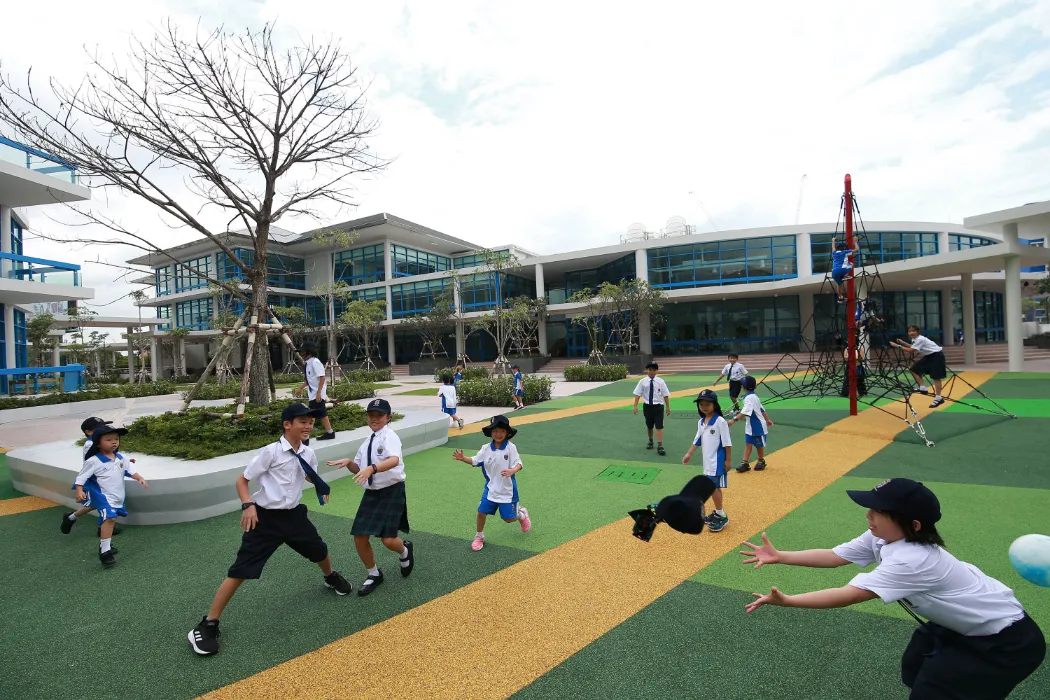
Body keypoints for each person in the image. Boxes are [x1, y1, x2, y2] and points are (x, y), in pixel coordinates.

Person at [741, 478, 1046, 699]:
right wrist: (780, 556)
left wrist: (789, 600)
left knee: (934, 689)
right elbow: (835, 556)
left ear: (912, 525)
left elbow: (850, 594)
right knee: (916, 663)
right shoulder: (883, 537)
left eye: (877, 511)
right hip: (965, 627)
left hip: (1007, 645)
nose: (868, 515)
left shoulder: (913, 561)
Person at [187, 403, 353, 656]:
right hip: (264, 520)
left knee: (319, 550)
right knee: (241, 570)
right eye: (302, 422)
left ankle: (330, 576)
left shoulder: (308, 454)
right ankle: (208, 623)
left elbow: (305, 473)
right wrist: (248, 505)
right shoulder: (270, 452)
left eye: (311, 422)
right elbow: (242, 480)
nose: (308, 426)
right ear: (287, 425)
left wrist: (318, 483)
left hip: (294, 516)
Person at [326, 398, 414, 596]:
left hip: (392, 490)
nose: (375, 419)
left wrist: (372, 468)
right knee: (359, 536)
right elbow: (359, 469)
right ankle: (374, 574)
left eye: (379, 415)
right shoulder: (367, 442)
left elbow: (394, 460)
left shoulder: (389, 436)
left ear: (388, 418)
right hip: (372, 493)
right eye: (371, 415)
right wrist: (349, 462)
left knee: (389, 541)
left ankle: (405, 551)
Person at [452, 414, 531, 551]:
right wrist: (463, 458)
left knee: (508, 519)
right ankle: (479, 536)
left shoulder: (511, 448)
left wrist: (512, 470)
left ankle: (521, 515)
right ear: (490, 432)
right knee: (481, 512)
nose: (498, 434)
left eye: (502, 431)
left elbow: (519, 463)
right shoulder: (486, 449)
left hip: (507, 491)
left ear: (507, 433)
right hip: (491, 489)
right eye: (495, 431)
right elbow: (475, 460)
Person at [73, 425, 148, 568]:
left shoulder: (121, 457)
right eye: (108, 439)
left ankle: (104, 546)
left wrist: (139, 478)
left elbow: (129, 470)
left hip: (118, 496)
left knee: (110, 520)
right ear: (98, 443)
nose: (114, 442)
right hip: (103, 496)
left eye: (116, 439)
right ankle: (105, 553)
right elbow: (81, 478)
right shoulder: (93, 461)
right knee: (110, 518)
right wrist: (79, 491)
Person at [61, 417, 126, 537]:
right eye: (99, 429)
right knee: (101, 503)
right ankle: (101, 528)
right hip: (95, 480)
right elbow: (94, 462)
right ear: (88, 432)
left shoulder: (97, 442)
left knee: (96, 503)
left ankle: (71, 518)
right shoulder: (91, 445)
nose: (103, 430)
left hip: (101, 479)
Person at [681, 389, 732, 532]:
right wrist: (689, 453)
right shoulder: (701, 422)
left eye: (707, 404)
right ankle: (719, 512)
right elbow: (698, 439)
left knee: (711, 487)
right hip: (708, 461)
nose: (703, 407)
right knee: (715, 487)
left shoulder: (720, 421)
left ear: (715, 405)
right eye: (701, 404)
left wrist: (728, 460)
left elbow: (727, 443)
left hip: (717, 461)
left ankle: (721, 515)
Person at [891, 326, 947, 408]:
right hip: (929, 356)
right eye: (909, 331)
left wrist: (897, 346)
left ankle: (938, 398)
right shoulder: (915, 339)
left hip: (936, 356)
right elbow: (912, 346)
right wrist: (902, 343)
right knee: (914, 370)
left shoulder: (920, 339)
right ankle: (923, 387)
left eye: (913, 331)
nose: (911, 333)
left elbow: (911, 351)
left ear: (918, 331)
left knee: (936, 377)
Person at [728, 376, 773, 472]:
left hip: (757, 426)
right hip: (751, 426)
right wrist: (768, 420)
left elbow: (745, 412)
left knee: (758, 445)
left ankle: (761, 460)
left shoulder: (749, 398)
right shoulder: (754, 397)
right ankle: (745, 462)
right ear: (755, 387)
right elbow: (762, 409)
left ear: (742, 387)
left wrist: (734, 420)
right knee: (748, 443)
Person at [295, 341, 336, 440]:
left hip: (317, 393)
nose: (301, 354)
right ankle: (329, 432)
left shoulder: (315, 362)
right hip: (313, 393)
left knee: (311, 415)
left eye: (303, 351)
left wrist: (318, 393)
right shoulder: (308, 363)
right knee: (321, 414)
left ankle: (306, 437)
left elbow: (322, 377)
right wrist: (300, 388)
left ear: (309, 352)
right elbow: (310, 379)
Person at [633, 361, 672, 455]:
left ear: (657, 371)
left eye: (654, 370)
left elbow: (665, 395)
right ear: (647, 370)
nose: (652, 372)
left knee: (659, 426)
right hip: (647, 406)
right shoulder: (643, 382)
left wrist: (668, 407)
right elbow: (638, 394)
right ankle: (650, 441)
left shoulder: (661, 382)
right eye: (650, 370)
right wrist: (635, 406)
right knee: (649, 425)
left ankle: (660, 445)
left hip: (658, 406)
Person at [829, 236, 860, 303]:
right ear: (844, 248)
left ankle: (840, 297)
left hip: (834, 272)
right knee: (851, 264)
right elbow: (856, 249)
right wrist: (855, 241)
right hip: (842, 270)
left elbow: (833, 247)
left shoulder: (834, 253)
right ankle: (844, 275)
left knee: (839, 284)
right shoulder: (845, 252)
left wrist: (833, 241)